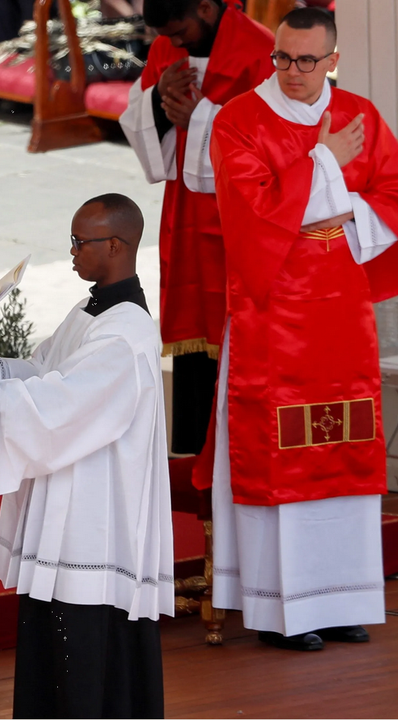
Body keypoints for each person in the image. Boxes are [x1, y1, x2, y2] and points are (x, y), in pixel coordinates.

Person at [203, 8, 398, 650]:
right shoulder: (239, 120)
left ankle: (338, 602)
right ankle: (282, 613)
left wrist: (344, 207)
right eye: (283, 58)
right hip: (272, 315)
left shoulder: (359, 112)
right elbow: (249, 217)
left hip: (339, 315)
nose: (293, 72)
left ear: (333, 59)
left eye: (307, 60)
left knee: (341, 460)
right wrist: (326, 164)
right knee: (283, 462)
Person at [0, 193, 173, 719]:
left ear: (116, 245)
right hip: (69, 513)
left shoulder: (126, 335)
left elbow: (63, 407)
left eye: (81, 243)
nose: (73, 253)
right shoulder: (89, 310)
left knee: (88, 667)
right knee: (52, 666)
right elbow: (45, 374)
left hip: (95, 526)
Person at [120, 0, 274, 455]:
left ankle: (235, 453)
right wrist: (156, 102)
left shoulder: (258, 51)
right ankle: (190, 456)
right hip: (185, 215)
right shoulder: (168, 47)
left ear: (206, 7)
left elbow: (273, 135)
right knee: (190, 325)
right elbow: (136, 116)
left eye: (180, 29)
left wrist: (203, 119)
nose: (174, 41)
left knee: (235, 329)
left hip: (239, 216)